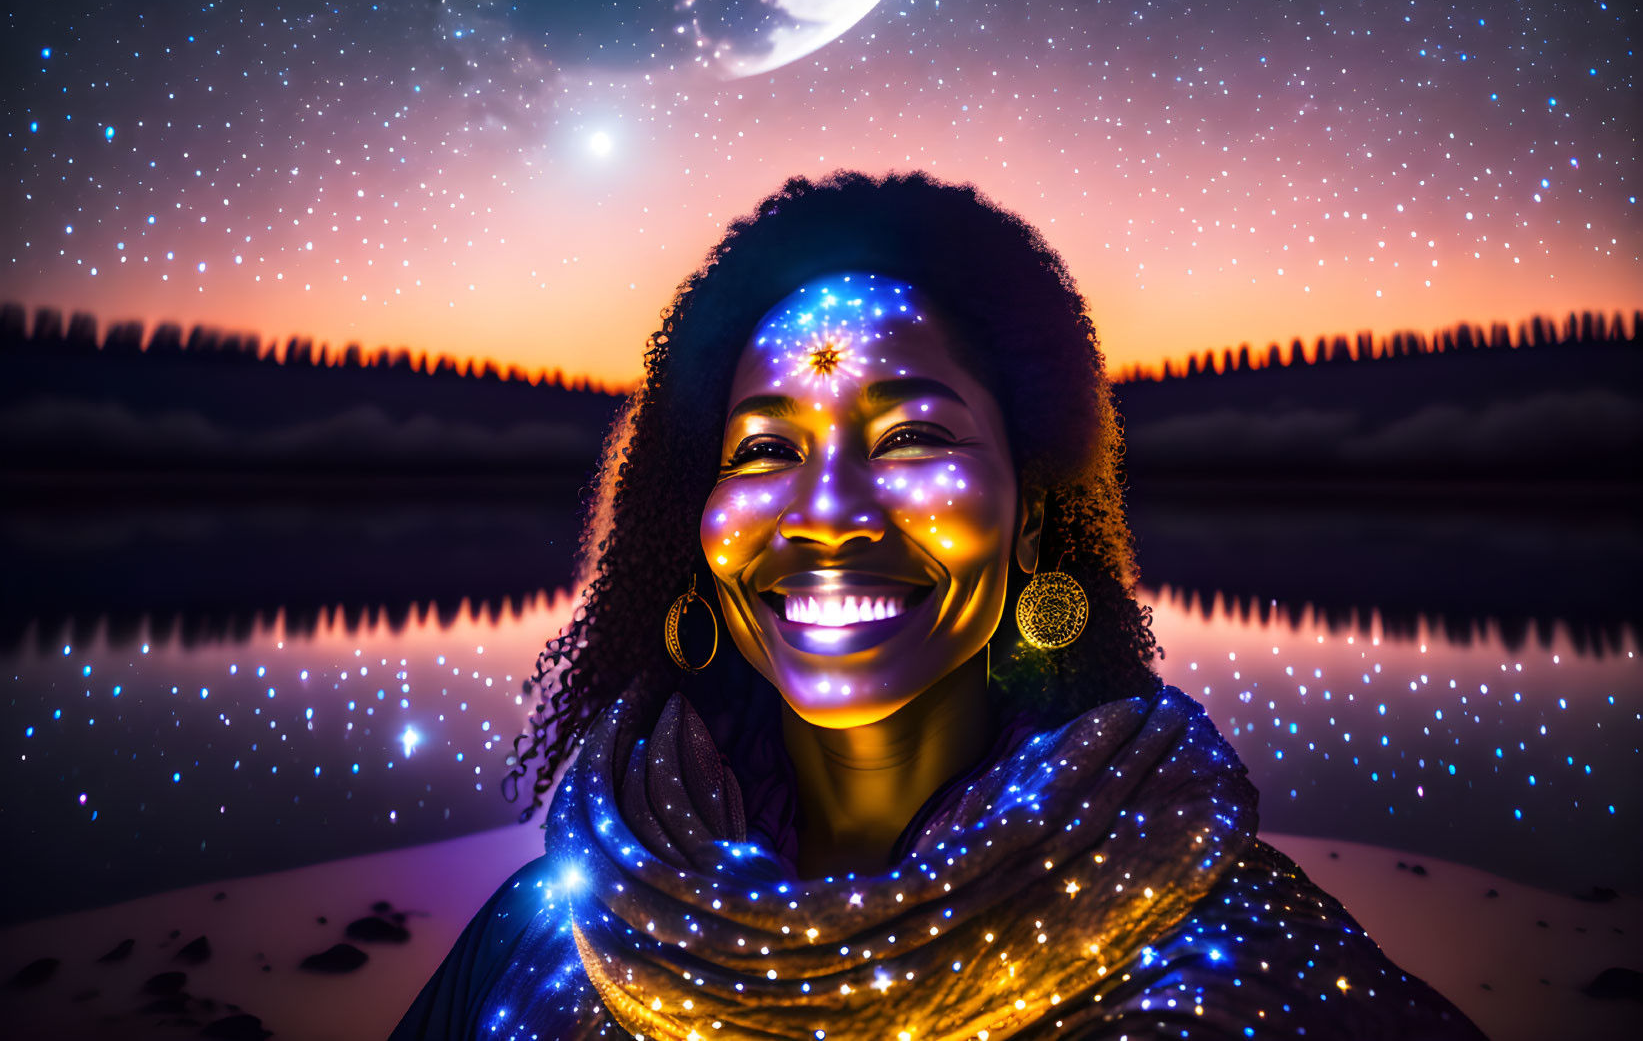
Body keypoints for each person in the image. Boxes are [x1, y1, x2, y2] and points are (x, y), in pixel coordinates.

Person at [391, 172, 1482, 1040]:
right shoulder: (544, 939)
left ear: (1033, 505)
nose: (824, 517)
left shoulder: (1242, 960)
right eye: (763, 449)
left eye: (912, 436)